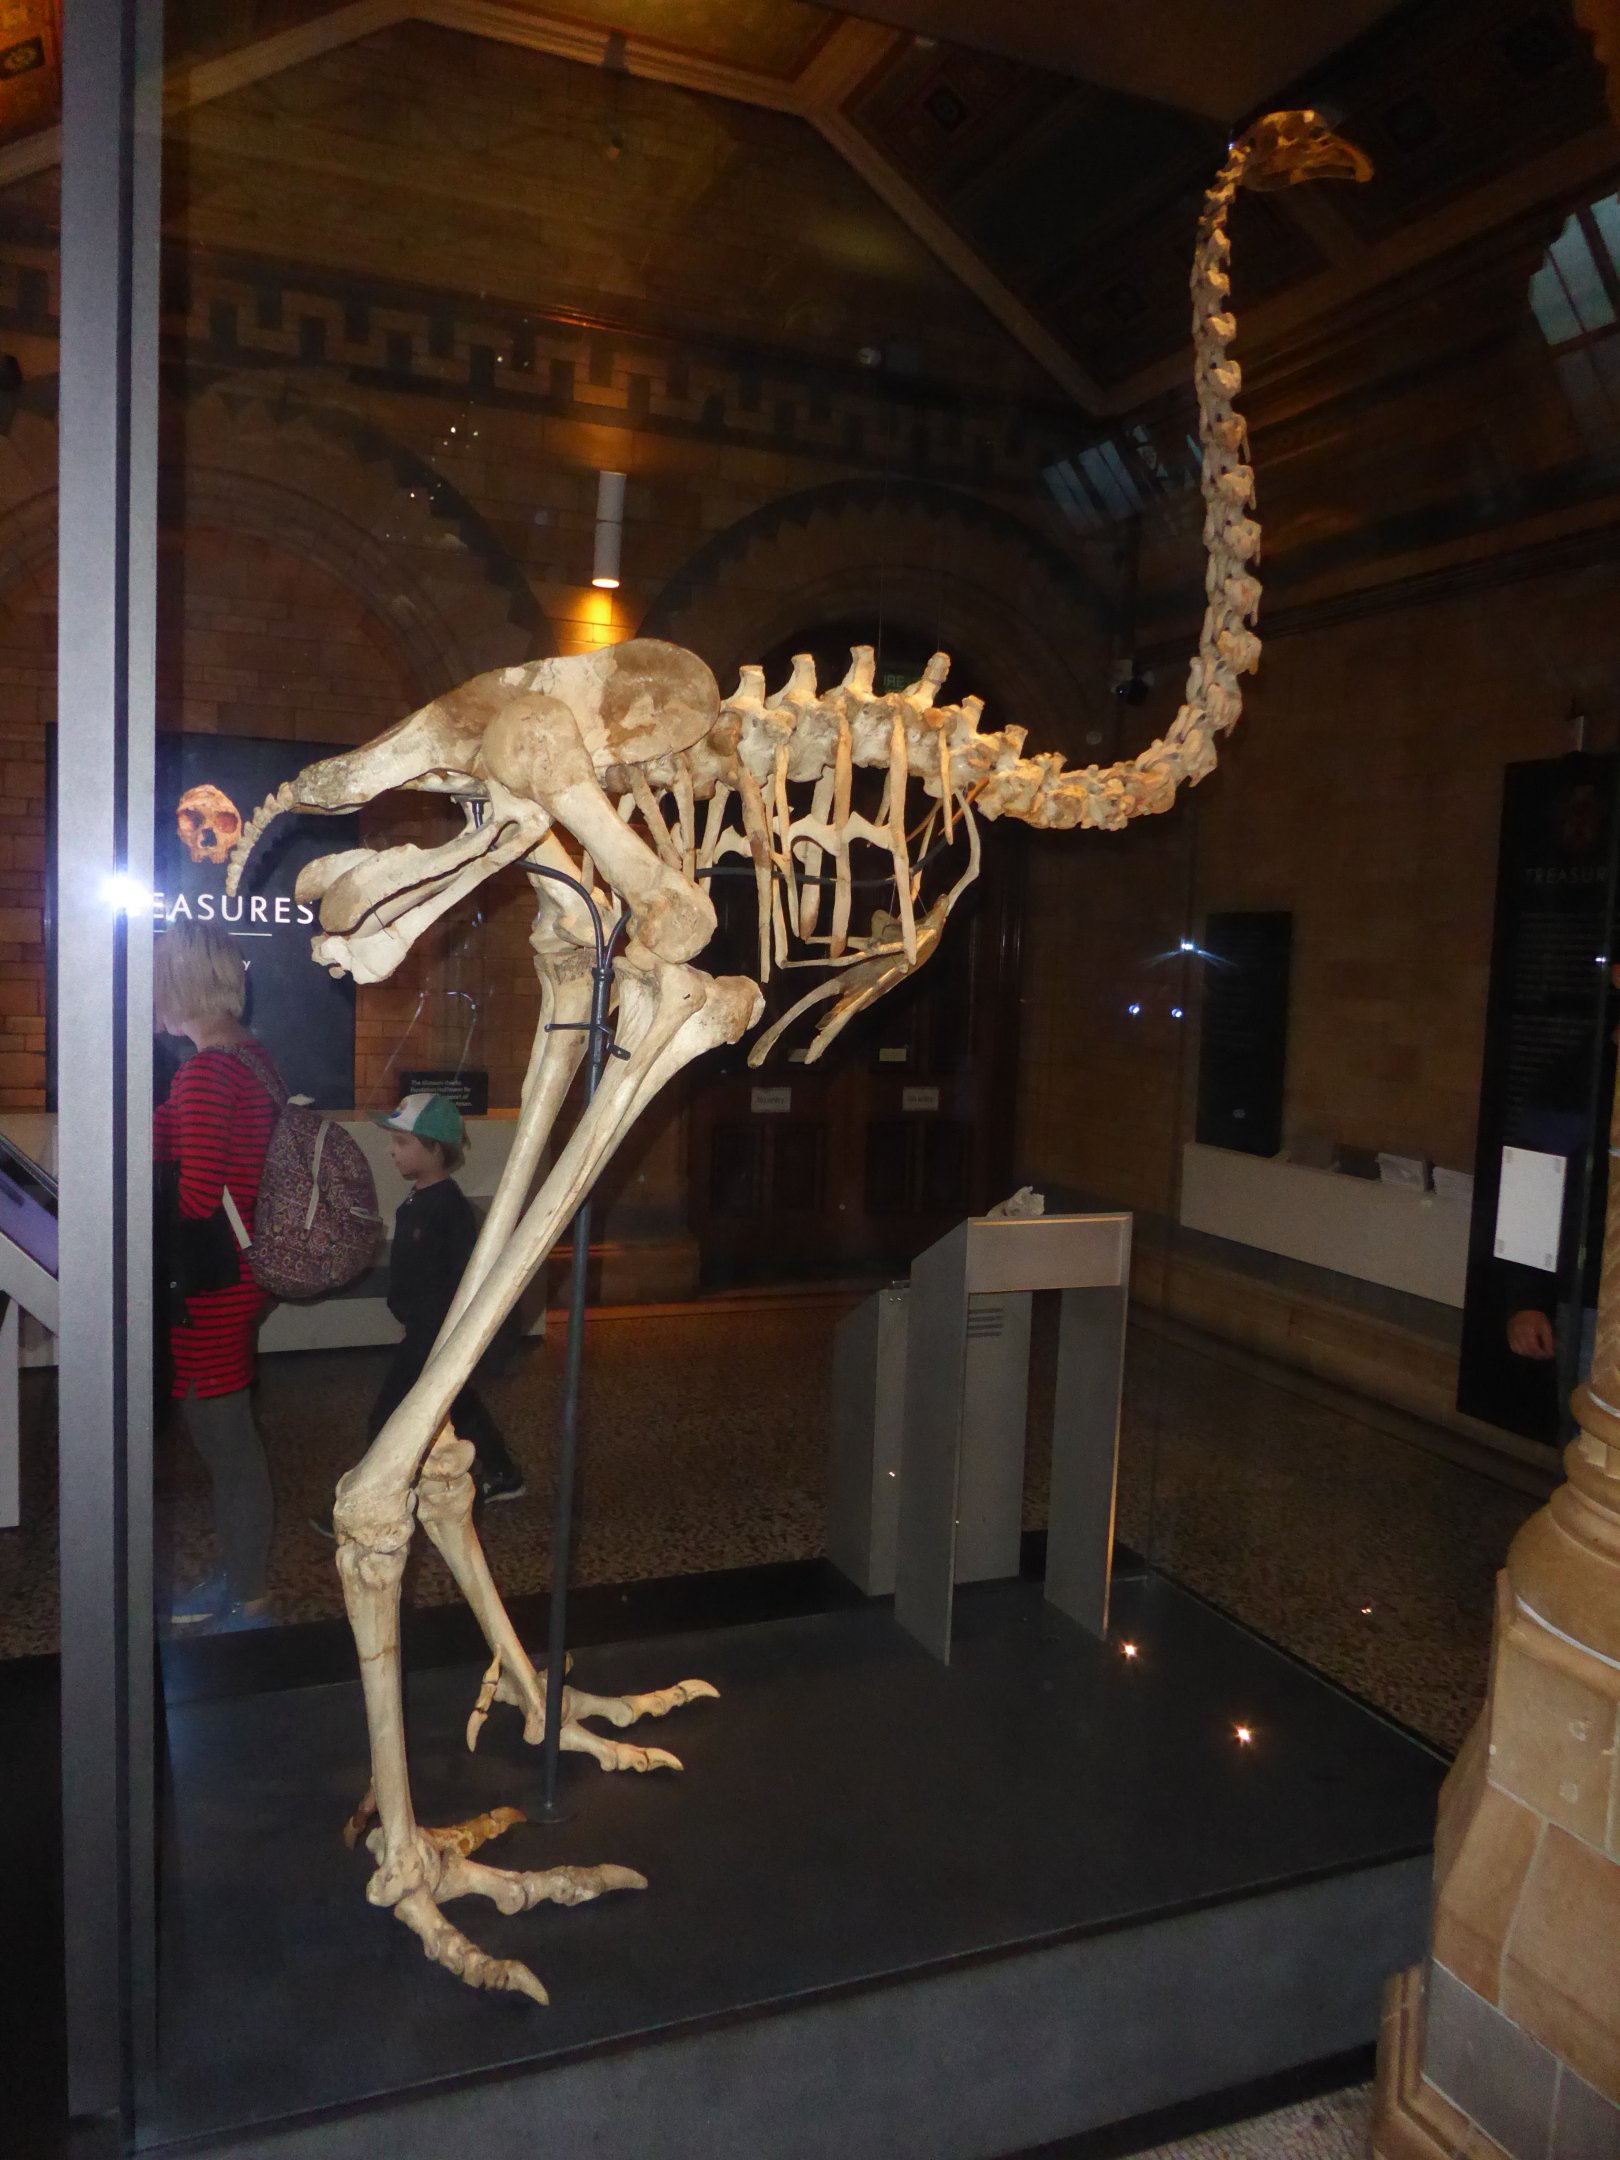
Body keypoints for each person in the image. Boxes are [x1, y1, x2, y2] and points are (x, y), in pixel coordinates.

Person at [154, 921, 282, 1628]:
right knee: (228, 1437)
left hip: (210, 1285)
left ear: (181, 980)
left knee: (226, 1442)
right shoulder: (248, 1057)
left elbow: (198, 1197)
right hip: (235, 1276)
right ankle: (238, 1576)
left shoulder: (206, 1070)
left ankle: (249, 1595)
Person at [319, 1091, 524, 1529]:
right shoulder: (416, 1202)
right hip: (422, 1328)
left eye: (402, 1142)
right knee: (458, 1403)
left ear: (435, 1149)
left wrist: (443, 1334)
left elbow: (463, 1279)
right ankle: (503, 1472)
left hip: (436, 1331)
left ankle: (365, 1500)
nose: (392, 1150)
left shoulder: (448, 1209)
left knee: (389, 1415)